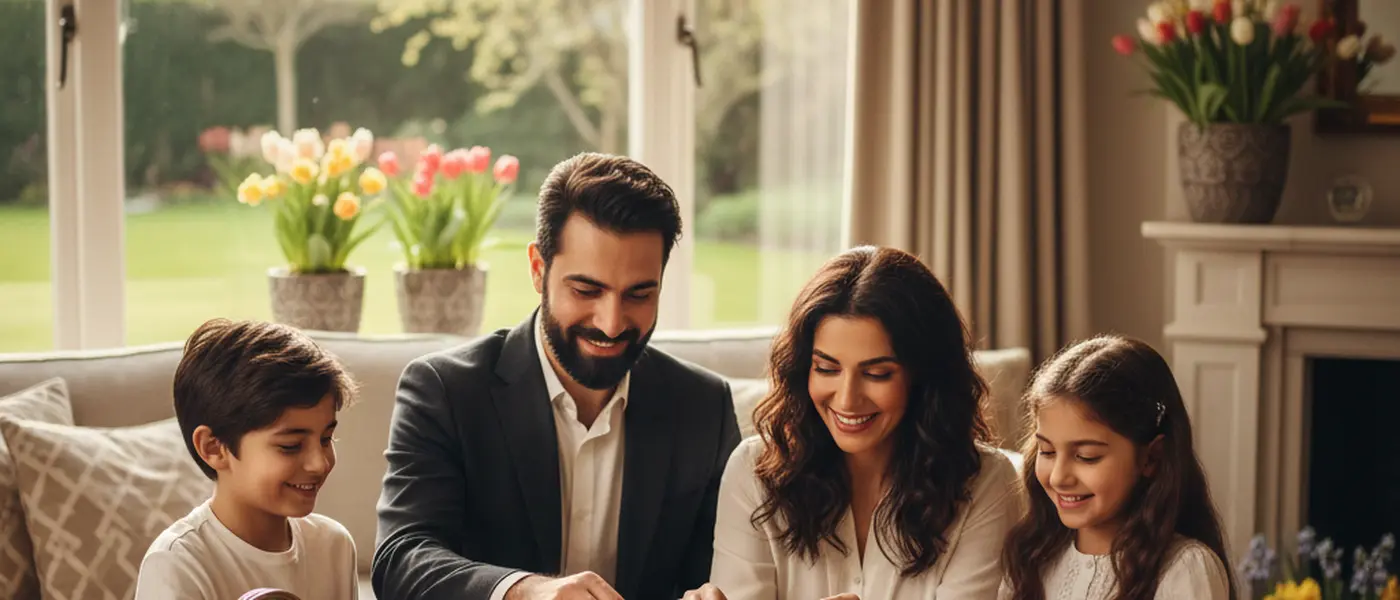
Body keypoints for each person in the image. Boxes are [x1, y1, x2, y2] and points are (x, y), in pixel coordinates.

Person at [373, 152, 742, 600]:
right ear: (537, 269)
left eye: (639, 294)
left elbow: (716, 574)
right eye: (587, 290)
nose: (611, 323)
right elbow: (401, 559)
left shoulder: (705, 406)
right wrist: (525, 593)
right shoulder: (445, 391)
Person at [688, 245, 1020, 600]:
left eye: (877, 374)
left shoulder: (985, 482)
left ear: (924, 376)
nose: (846, 399)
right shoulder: (753, 473)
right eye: (827, 369)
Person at [135, 318, 358, 600]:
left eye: (326, 439)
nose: (319, 463)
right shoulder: (177, 564)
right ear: (214, 448)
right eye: (291, 445)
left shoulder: (334, 547)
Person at [999, 334, 1236, 600]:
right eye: (1048, 451)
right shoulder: (1031, 558)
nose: (1058, 477)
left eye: (1086, 456)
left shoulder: (1185, 570)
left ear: (1151, 458)